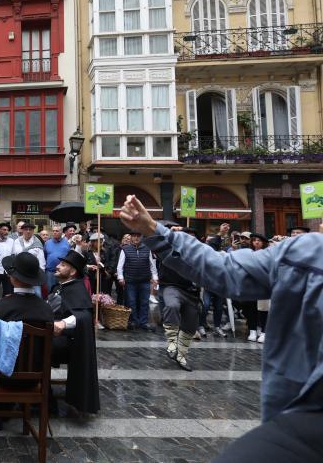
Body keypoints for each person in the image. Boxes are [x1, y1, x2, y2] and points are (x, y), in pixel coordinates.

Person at [120, 195, 323, 463]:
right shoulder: (308, 252)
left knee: (191, 318)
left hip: (191, 295)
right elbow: (225, 268)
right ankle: (173, 344)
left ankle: (180, 347)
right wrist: (153, 230)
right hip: (309, 417)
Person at [0, 252, 54, 402]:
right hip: (35, 376)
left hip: (3, 375)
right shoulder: (46, 308)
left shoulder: (2, 305)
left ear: (13, 278)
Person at [47, 250, 100, 414]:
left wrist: (64, 323)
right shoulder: (59, 286)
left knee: (34, 348)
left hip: (66, 342)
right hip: (49, 335)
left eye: (63, 265)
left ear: (72, 272)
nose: (57, 266)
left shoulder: (77, 289)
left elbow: (84, 316)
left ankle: (44, 398)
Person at [155, 223, 201, 371]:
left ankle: (181, 356)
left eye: (193, 238)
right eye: (187, 237)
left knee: (190, 327)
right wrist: (167, 234)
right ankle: (172, 342)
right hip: (171, 287)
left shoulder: (199, 253)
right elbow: (154, 243)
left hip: (192, 293)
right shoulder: (168, 249)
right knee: (172, 305)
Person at [116, 231, 158, 330]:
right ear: (131, 237)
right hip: (130, 281)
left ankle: (143, 322)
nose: (136, 238)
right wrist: (120, 277)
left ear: (141, 237)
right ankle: (133, 321)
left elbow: (152, 265)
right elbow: (120, 266)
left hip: (144, 280)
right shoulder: (125, 249)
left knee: (144, 302)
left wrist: (155, 277)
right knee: (131, 302)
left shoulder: (147, 249)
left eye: (138, 236)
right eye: (134, 236)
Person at [11, 222, 46, 297]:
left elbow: (41, 261)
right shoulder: (17, 241)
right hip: (20, 274)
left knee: (37, 295)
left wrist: (40, 275)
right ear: (22, 230)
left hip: (33, 274)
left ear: (33, 231)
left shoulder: (37, 243)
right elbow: (13, 256)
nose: (28, 231)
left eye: (30, 229)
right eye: (26, 229)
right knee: (20, 295)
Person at [44, 225, 69, 293]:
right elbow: (44, 256)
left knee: (63, 292)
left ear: (61, 232)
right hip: (50, 272)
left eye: (57, 231)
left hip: (63, 272)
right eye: (53, 231)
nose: (54, 232)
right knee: (50, 292)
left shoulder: (67, 243)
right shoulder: (47, 243)